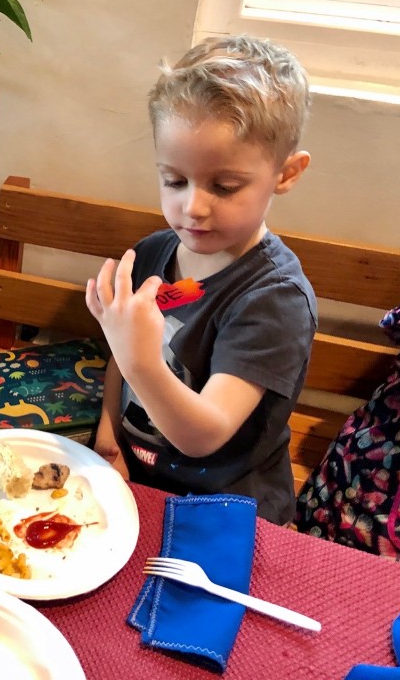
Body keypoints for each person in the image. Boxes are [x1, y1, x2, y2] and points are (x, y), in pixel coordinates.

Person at [85, 35, 317, 525]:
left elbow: (203, 434)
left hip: (225, 507)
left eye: (224, 186)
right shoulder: (154, 253)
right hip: (136, 479)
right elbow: (121, 356)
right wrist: (108, 436)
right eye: (174, 180)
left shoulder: (274, 299)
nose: (192, 207)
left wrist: (140, 359)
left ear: (286, 174)